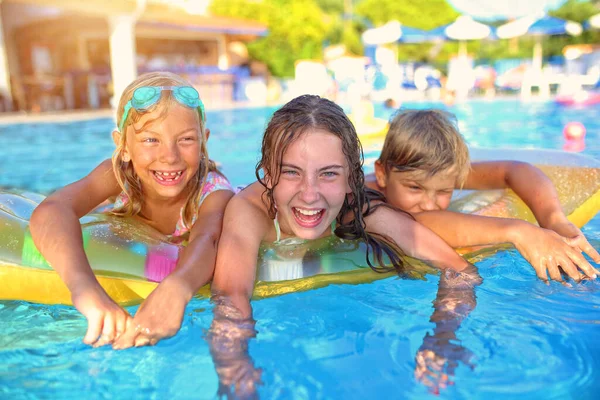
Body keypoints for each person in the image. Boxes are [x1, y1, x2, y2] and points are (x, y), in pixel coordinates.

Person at [207, 94, 476, 397]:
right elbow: (231, 296)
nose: (310, 194)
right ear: (268, 174)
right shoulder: (249, 212)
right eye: (290, 171)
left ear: (352, 179)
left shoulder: (355, 207)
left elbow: (459, 269)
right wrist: (234, 366)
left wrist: (442, 336)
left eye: (329, 174)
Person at [29, 72, 234, 349]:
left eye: (186, 140)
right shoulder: (119, 174)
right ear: (123, 147)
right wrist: (84, 289)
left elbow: (208, 239)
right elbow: (52, 210)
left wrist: (176, 288)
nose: (169, 156)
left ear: (204, 143)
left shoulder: (214, 192)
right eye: (151, 140)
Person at [366, 109, 600, 283]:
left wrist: (554, 220)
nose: (429, 203)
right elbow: (412, 225)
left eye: (444, 191)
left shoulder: (435, 173)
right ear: (382, 173)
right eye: (415, 188)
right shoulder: (364, 195)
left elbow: (514, 170)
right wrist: (519, 231)